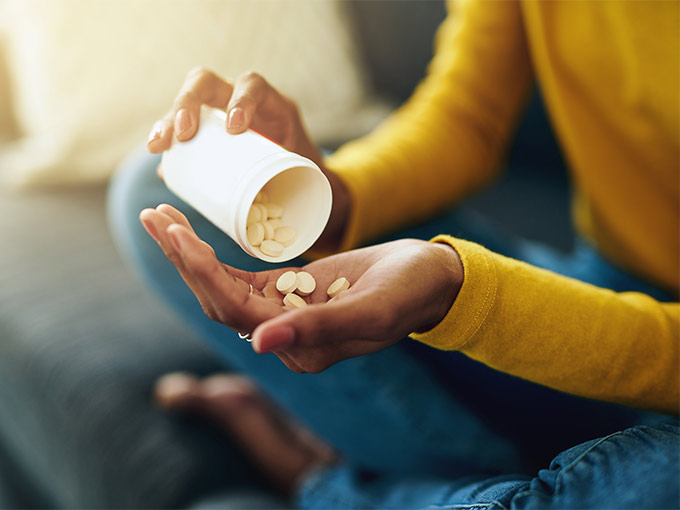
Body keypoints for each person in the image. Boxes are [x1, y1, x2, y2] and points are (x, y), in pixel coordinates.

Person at [109, 0, 679, 508]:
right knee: (153, 185)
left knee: (656, 482)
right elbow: (467, 117)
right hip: (606, 281)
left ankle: (323, 480)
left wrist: (462, 293)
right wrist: (336, 198)